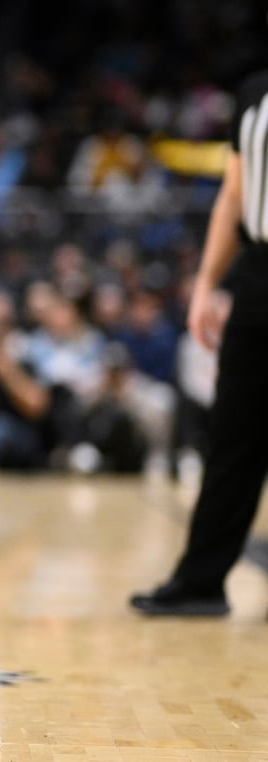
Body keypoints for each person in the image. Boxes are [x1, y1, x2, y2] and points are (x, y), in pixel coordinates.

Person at [131, 67, 268, 617]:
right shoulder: (254, 92)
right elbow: (235, 193)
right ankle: (202, 581)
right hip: (258, 273)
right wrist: (208, 282)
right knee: (234, 436)